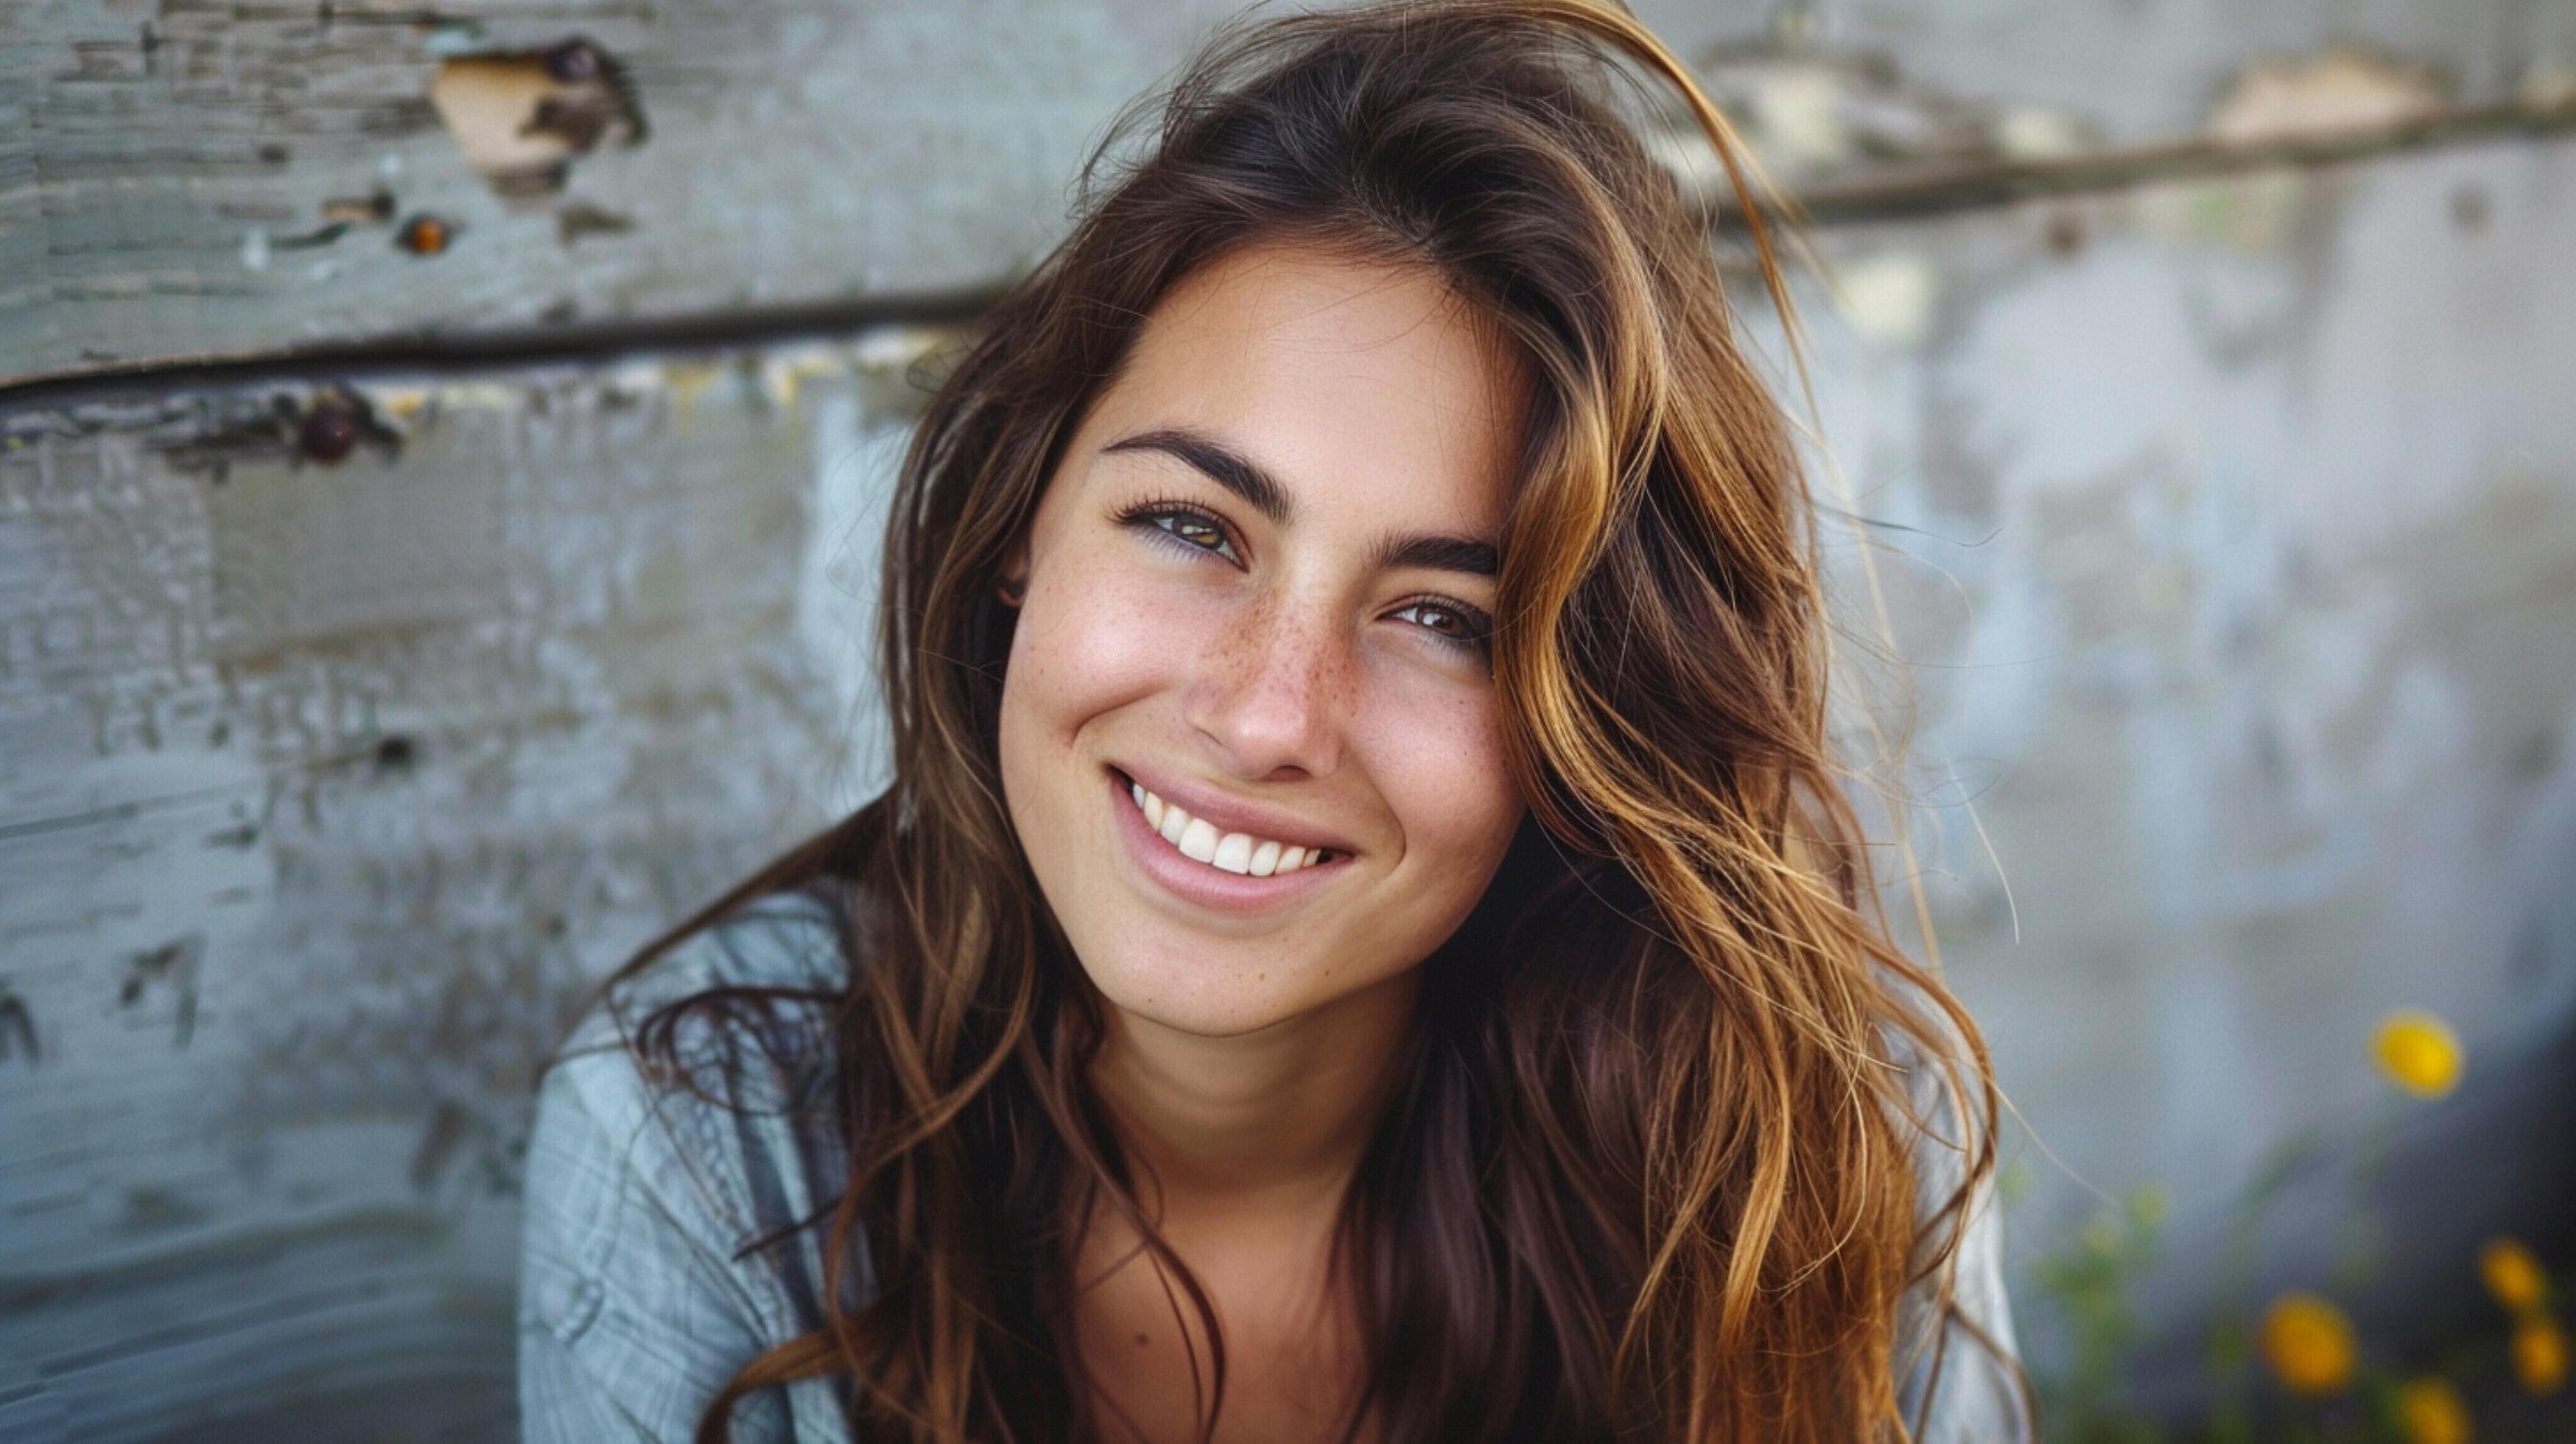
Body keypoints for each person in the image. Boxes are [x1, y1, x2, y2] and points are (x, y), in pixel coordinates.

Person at [517, 1, 2031, 1439]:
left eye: (1447, 617)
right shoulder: (708, 1147)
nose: (1265, 716)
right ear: (1019, 522)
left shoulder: (1797, 1134)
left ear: (1592, 717)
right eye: (1191, 525)